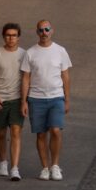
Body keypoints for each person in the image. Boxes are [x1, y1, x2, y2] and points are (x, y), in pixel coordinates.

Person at [20, 20, 72, 181]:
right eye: (41, 30)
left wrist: (67, 99)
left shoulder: (60, 51)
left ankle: (55, 165)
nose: (44, 33)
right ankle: (45, 167)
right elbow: (26, 78)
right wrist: (24, 101)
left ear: (52, 31)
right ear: (37, 33)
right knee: (41, 134)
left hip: (56, 97)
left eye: (47, 29)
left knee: (55, 130)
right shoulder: (30, 53)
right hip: (36, 99)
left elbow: (65, 76)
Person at [0, 23, 26, 182]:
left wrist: (25, 100)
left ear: (18, 37)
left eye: (14, 35)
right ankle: (3, 162)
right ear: (4, 36)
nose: (11, 38)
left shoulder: (24, 54)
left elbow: (27, 77)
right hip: (0, 99)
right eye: (8, 35)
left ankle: (15, 168)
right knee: (1, 132)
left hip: (17, 99)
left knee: (16, 132)